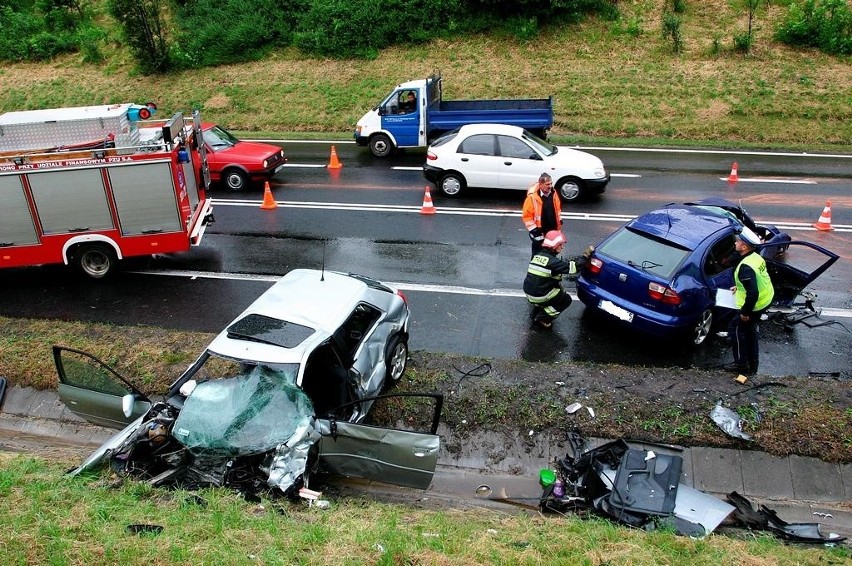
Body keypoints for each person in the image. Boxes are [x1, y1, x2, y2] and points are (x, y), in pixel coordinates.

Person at [724, 226, 774, 376]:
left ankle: (740, 364)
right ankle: (753, 362)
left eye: (738, 242)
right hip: (766, 298)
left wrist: (745, 312)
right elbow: (754, 283)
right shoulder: (755, 256)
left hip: (755, 304)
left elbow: (752, 293)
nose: (735, 243)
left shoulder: (745, 267)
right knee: (750, 330)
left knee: (736, 329)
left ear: (744, 246)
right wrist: (738, 288)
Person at [523, 230, 573, 330]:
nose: (562, 247)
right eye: (560, 244)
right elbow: (572, 268)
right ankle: (543, 318)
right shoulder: (553, 261)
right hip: (539, 295)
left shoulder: (538, 255)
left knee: (555, 291)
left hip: (529, 293)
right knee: (566, 299)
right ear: (554, 245)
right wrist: (585, 257)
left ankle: (536, 311)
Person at [522, 172, 562, 256]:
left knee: (551, 253)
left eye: (551, 183)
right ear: (540, 185)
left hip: (552, 230)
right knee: (538, 253)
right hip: (539, 232)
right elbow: (527, 216)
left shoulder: (554, 194)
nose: (550, 186)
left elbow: (557, 209)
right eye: (547, 184)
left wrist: (559, 219)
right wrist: (534, 229)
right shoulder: (532, 198)